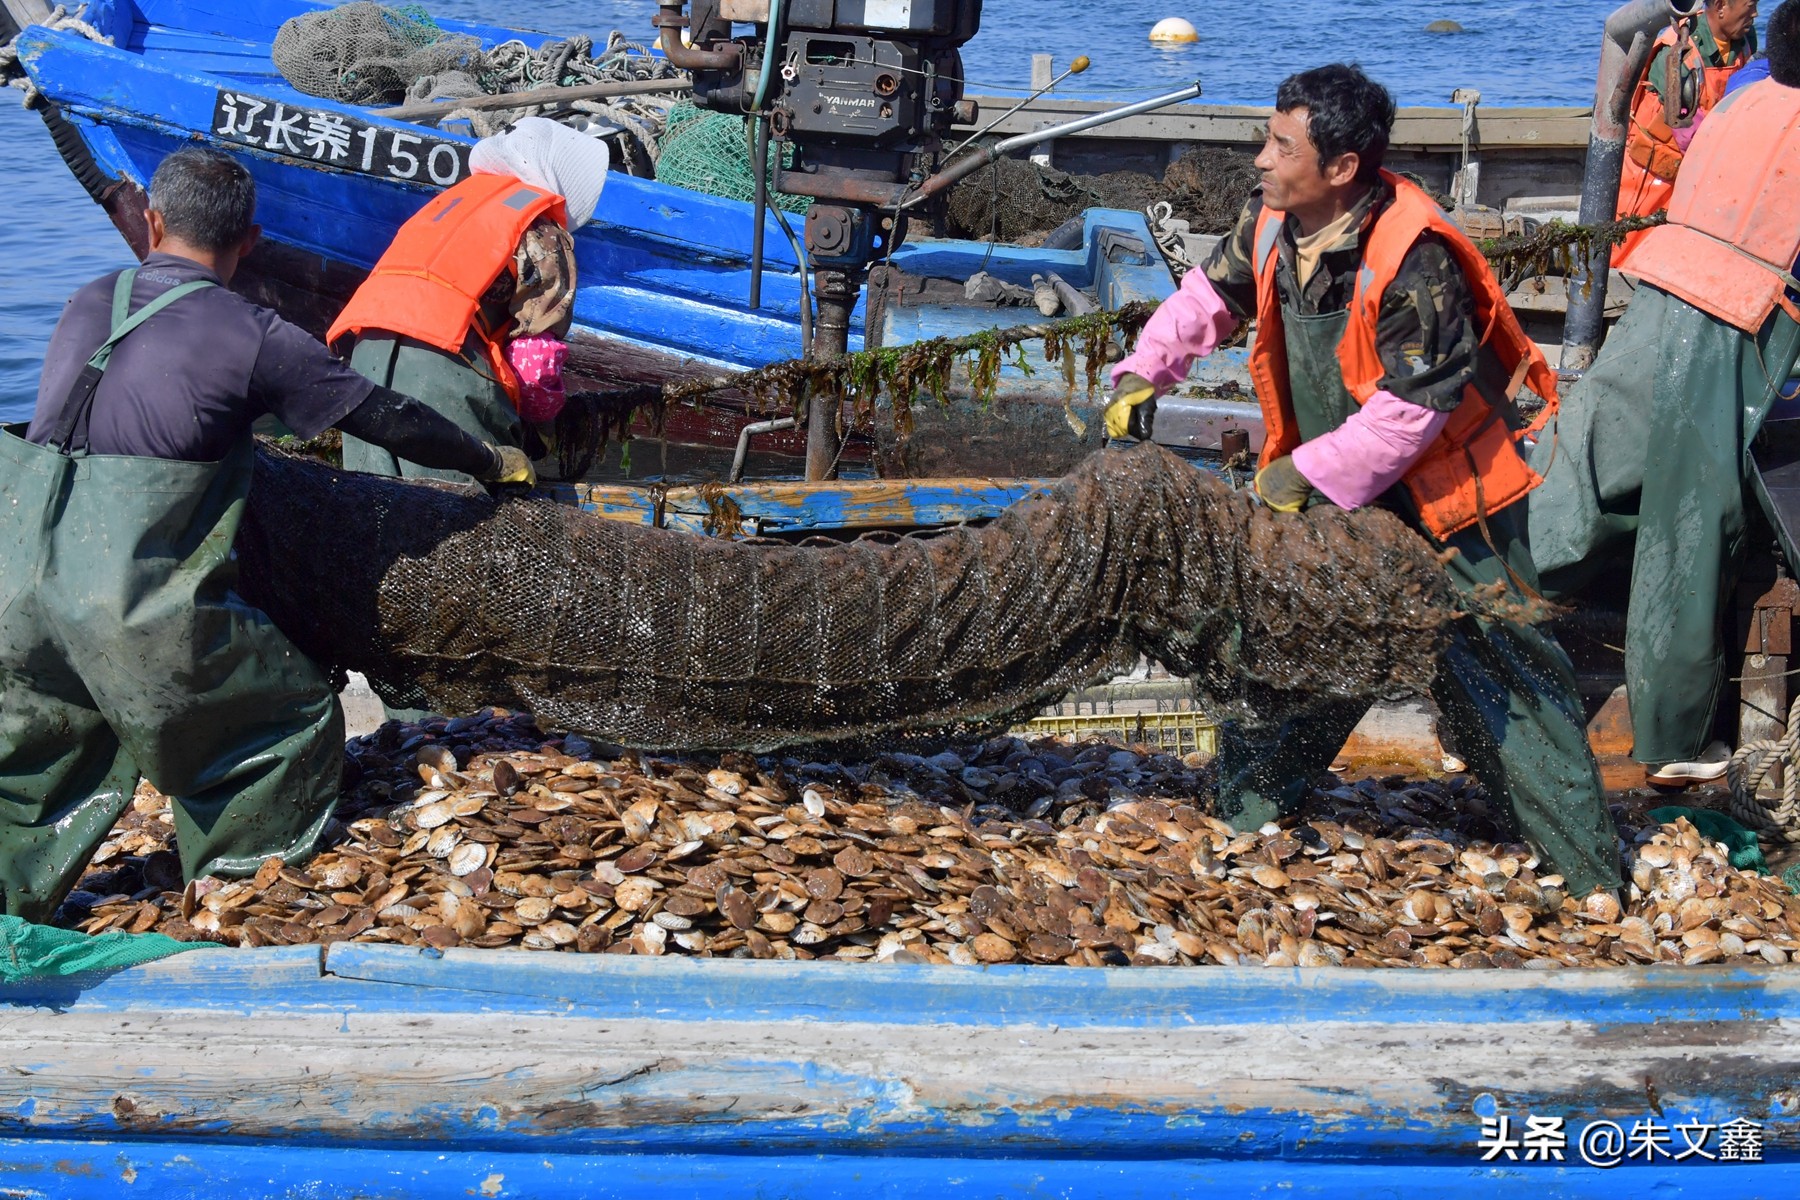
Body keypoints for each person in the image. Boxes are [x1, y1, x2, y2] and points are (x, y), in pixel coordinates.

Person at [1104, 64, 1622, 898]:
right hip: (1334, 491)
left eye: (1281, 145)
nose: (1261, 160)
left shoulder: (1414, 257)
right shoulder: (1273, 220)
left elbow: (1409, 417)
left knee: (1509, 679)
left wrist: (1298, 471)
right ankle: (1245, 825)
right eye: (1267, 140)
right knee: (1289, 643)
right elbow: (1212, 294)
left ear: (1342, 167)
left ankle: (1592, 877)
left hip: (1453, 509)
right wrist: (1144, 373)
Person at [0, 147, 532, 923]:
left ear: (151, 223)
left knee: (35, 755)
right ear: (250, 241)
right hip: (128, 606)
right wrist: (489, 456)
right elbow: (385, 417)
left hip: (13, 590)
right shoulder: (255, 334)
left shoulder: (88, 299)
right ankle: (233, 896)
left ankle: (12, 905)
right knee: (282, 721)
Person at [1529, 0, 1800, 787]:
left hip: (1659, 296)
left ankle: (1465, 618)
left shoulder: (1746, 93)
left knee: (1579, 466)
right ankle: (1675, 738)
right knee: (1693, 521)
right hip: (1736, 326)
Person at [331, 118, 610, 483]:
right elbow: (534, 362)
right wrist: (543, 423)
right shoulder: (541, 232)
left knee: (374, 500)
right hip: (442, 365)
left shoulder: (456, 200)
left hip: (367, 352)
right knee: (459, 513)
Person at [1613, 0, 1758, 264]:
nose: (1756, 13)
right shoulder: (1677, 52)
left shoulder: (1746, 39)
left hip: (1707, 168)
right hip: (1655, 177)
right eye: (1750, 6)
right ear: (1722, 6)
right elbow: (1687, 133)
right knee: (1628, 247)